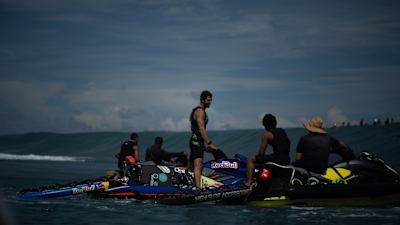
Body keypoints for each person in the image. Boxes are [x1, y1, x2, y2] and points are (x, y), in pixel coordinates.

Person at [245, 113, 291, 187]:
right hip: (286, 158)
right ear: (275, 123)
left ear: (264, 124)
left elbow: (261, 153)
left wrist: (259, 158)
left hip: (278, 158)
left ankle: (249, 181)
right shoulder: (282, 131)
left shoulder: (267, 134)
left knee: (250, 159)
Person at [189, 90, 220, 188]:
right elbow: (201, 129)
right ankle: (197, 189)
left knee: (193, 166)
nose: (210, 102)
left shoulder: (199, 111)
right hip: (197, 141)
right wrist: (209, 143)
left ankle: (191, 185)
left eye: (211, 100)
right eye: (208, 100)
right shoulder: (200, 112)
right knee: (198, 165)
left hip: (197, 141)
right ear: (202, 100)